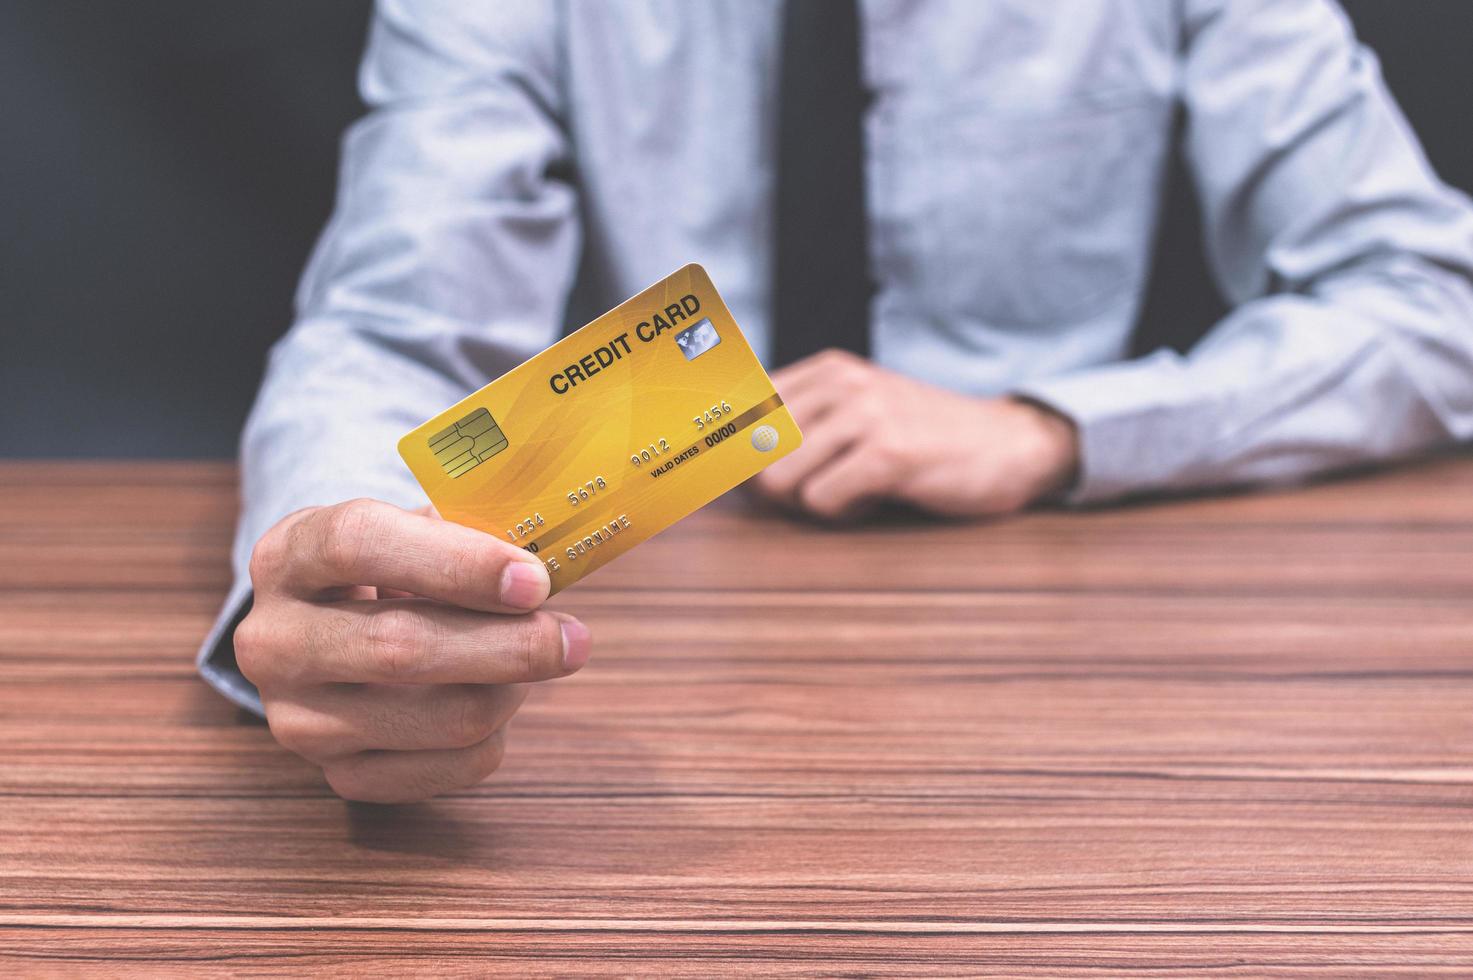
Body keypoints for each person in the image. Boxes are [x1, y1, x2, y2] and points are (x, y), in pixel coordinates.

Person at [204, 0, 1473, 803]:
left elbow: (1432, 296)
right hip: (633, 688)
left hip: (1069, 678)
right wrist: (337, 560)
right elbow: (386, 326)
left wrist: (1054, 427)